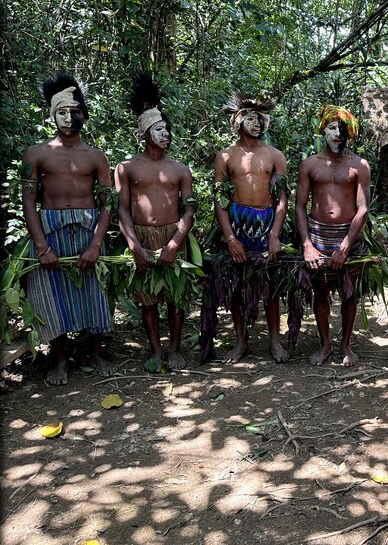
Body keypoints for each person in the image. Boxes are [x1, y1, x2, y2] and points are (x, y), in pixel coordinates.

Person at [22, 73, 115, 385]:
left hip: (87, 229)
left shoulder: (97, 157)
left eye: (74, 112)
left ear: (84, 116)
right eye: (61, 112)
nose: (68, 118)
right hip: (50, 228)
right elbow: (29, 199)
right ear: (52, 115)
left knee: (93, 293)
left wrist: (96, 244)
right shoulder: (36, 154)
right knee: (51, 294)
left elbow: (108, 203)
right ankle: (59, 358)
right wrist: (41, 246)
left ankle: (95, 352)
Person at [115, 73, 195, 371]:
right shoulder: (126, 168)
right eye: (158, 129)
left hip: (173, 234)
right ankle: (156, 350)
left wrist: (175, 242)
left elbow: (188, 210)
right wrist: (134, 245)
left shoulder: (180, 170)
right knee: (147, 298)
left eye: (167, 129)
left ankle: (174, 349)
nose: (165, 134)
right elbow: (122, 210)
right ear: (144, 132)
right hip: (141, 235)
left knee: (175, 296)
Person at [212, 92, 289, 364]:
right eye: (251, 118)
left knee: (271, 285)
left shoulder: (275, 156)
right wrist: (230, 238)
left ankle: (274, 341)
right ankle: (241, 341)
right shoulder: (225, 156)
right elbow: (219, 201)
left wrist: (275, 234)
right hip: (237, 223)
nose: (258, 124)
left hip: (267, 223)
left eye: (261, 119)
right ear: (238, 121)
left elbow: (282, 199)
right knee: (237, 285)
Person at [296, 105, 371, 367]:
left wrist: (346, 246)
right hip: (318, 236)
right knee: (321, 292)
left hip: (347, 234)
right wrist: (307, 245)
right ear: (322, 131)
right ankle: (325, 344)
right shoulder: (310, 165)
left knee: (349, 294)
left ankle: (346, 344)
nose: (337, 133)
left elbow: (363, 208)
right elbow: (299, 206)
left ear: (350, 133)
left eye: (342, 129)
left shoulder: (359, 165)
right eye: (331, 128)